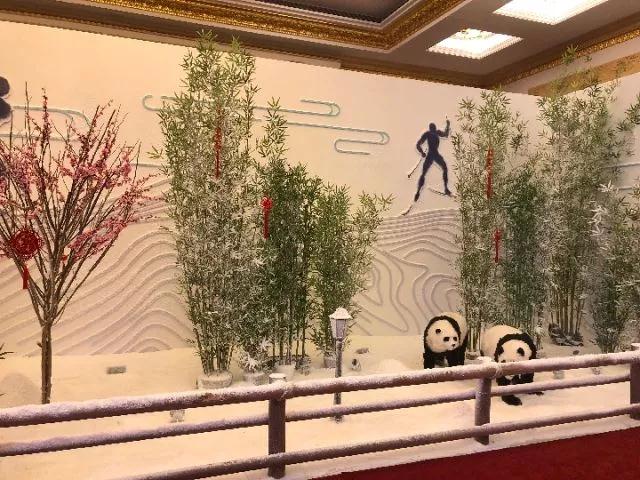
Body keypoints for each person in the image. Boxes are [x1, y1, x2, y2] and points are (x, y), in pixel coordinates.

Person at [410, 119, 451, 200]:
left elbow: (445, 135)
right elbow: (418, 145)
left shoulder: (433, 133)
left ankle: (446, 188)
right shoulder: (431, 133)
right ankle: (418, 192)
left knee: (427, 173)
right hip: (433, 154)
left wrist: (448, 125)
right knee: (425, 173)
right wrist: (422, 152)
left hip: (432, 154)